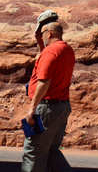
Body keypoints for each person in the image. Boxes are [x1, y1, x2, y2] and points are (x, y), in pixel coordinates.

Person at [21, 10, 74, 172]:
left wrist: (32, 108)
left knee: (34, 151)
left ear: (49, 33)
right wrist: (39, 38)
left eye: (43, 33)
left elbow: (44, 82)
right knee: (50, 150)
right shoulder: (66, 50)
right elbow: (45, 54)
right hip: (61, 107)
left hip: (46, 108)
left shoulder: (50, 52)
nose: (42, 36)